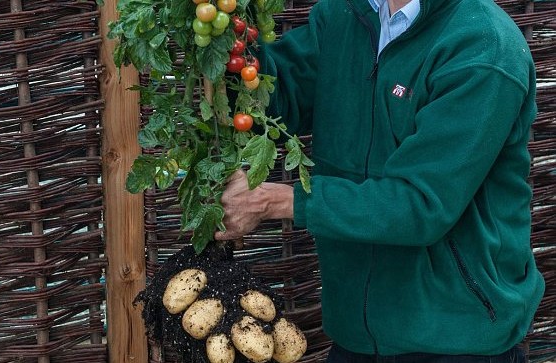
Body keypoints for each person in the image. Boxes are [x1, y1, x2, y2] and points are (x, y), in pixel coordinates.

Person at [214, 0, 546, 361]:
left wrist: (275, 200)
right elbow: (272, 99)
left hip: (456, 337)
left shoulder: (483, 45)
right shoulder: (344, 15)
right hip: (354, 335)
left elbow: (421, 204)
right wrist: (224, 35)